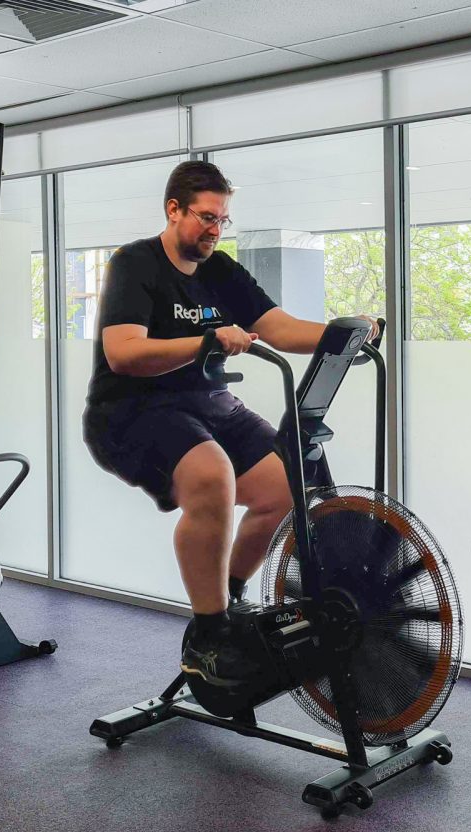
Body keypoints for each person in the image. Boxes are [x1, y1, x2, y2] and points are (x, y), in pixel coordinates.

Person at [82, 160, 377, 689]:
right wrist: (208, 339)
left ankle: (229, 601)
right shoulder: (136, 263)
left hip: (209, 403)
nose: (215, 230)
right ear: (173, 210)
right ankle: (208, 634)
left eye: (223, 220)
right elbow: (122, 353)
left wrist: (346, 332)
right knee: (211, 475)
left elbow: (280, 330)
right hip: (131, 411)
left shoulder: (222, 271)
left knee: (286, 490)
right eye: (206, 217)